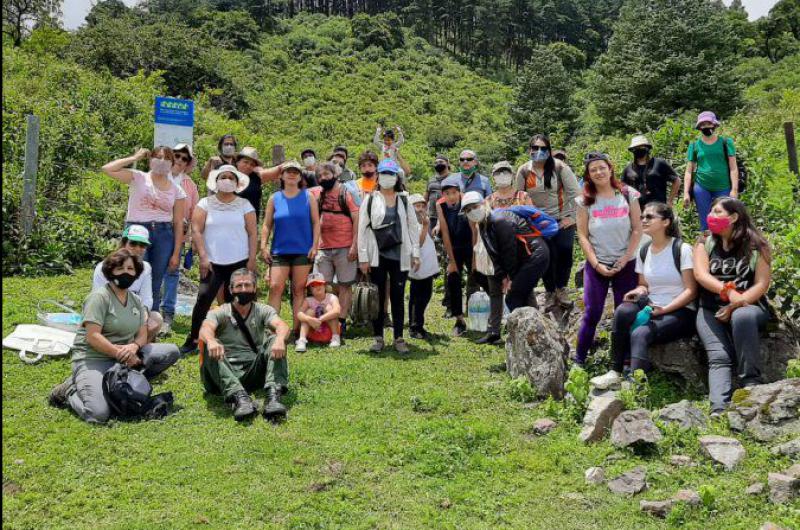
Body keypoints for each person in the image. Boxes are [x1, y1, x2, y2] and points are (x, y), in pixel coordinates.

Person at [48, 249, 180, 424]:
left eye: (130, 269)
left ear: (136, 273)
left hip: (126, 355)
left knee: (171, 351)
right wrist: (120, 354)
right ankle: (70, 390)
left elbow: (142, 334)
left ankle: (126, 380)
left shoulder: (136, 300)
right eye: (120, 269)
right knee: (98, 414)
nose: (126, 273)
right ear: (110, 272)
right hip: (95, 358)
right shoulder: (99, 298)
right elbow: (93, 336)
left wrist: (133, 347)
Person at [591, 203, 698, 388]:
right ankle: (615, 370)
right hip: (653, 305)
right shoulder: (644, 250)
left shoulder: (683, 249)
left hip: (681, 310)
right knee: (623, 311)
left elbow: (691, 291)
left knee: (641, 333)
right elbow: (644, 285)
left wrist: (665, 309)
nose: (644, 220)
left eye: (649, 217)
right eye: (642, 217)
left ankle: (636, 384)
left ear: (665, 222)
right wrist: (637, 291)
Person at [693, 197, 771, 415]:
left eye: (718, 212)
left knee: (742, 317)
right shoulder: (705, 241)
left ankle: (751, 385)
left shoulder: (757, 245)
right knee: (719, 356)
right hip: (710, 309)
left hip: (749, 306)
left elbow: (762, 284)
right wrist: (728, 292)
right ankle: (718, 409)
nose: (712, 216)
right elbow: (701, 274)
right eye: (711, 212)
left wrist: (736, 304)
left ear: (734, 217)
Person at [574, 152, 643, 366]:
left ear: (610, 168)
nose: (598, 172)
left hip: (626, 262)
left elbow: (638, 229)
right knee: (592, 312)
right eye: (593, 169)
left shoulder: (627, 194)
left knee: (626, 312)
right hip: (597, 265)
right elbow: (583, 235)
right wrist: (595, 263)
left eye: (601, 167)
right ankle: (579, 360)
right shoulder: (584, 200)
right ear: (588, 174)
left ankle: (624, 360)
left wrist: (625, 258)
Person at [181, 165, 257, 355]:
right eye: (223, 177)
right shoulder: (205, 203)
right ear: (216, 181)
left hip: (239, 260)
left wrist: (252, 260)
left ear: (237, 182)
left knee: (239, 300)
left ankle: (239, 339)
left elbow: (253, 233)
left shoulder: (245, 205)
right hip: (212, 261)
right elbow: (196, 230)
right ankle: (193, 338)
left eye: (231, 177)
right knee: (204, 298)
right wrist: (203, 257)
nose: (227, 180)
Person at [101, 146, 186, 315]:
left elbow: (177, 223)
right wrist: (134, 157)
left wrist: (176, 253)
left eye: (166, 158)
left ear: (172, 163)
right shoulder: (138, 177)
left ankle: (150, 318)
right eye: (158, 157)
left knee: (155, 280)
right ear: (150, 160)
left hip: (163, 233)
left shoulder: (177, 190)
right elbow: (107, 169)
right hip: (137, 230)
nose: (162, 161)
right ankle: (123, 315)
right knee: (130, 272)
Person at [199, 268, 291, 422]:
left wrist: (280, 339)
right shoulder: (221, 311)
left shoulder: (263, 310)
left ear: (255, 288)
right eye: (239, 286)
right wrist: (212, 341)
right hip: (223, 372)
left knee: (275, 338)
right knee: (211, 344)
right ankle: (239, 398)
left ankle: (273, 396)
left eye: (247, 285)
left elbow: (282, 326)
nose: (243, 289)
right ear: (231, 289)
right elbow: (205, 328)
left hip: (252, 371)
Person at [357, 159, 420, 353]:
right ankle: (378, 337)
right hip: (377, 255)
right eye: (383, 173)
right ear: (378, 176)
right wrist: (363, 258)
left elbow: (412, 227)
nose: (387, 177)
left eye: (391, 174)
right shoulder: (370, 199)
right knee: (378, 295)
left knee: (398, 295)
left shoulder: (404, 199)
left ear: (396, 177)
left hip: (400, 253)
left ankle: (399, 338)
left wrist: (415, 253)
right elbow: (361, 229)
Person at [515, 134, 581, 312]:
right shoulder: (523, 171)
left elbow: (577, 194)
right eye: (535, 148)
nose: (539, 152)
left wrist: (572, 218)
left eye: (543, 148)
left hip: (562, 218)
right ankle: (550, 291)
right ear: (529, 150)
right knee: (546, 257)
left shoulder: (560, 168)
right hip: (537, 222)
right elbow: (518, 197)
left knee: (565, 252)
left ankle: (562, 289)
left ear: (549, 150)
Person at [460, 192, 551, 314]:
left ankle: (523, 327)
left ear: (483, 203)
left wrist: (511, 277)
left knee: (512, 297)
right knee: (524, 291)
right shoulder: (484, 225)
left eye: (475, 207)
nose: (472, 211)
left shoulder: (498, 220)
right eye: (468, 210)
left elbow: (509, 250)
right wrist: (503, 276)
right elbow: (494, 254)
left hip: (535, 255)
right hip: (526, 256)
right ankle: (533, 324)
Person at [261, 160, 321, 334]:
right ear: (281, 176)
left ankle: (297, 330)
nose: (292, 174)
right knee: (275, 287)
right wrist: (263, 246)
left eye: (295, 171)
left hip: (302, 250)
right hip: (279, 251)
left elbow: (316, 223)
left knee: (298, 290)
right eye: (288, 171)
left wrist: (314, 245)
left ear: (300, 176)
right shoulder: (274, 198)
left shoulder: (308, 197)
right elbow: (266, 224)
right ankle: (272, 330)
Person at [309, 162, 359, 338]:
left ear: (335, 174)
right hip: (324, 247)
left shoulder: (346, 192)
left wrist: (355, 244)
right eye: (320, 176)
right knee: (320, 285)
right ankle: (322, 320)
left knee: (345, 285)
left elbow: (356, 217)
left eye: (326, 174)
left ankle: (341, 322)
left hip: (345, 247)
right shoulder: (316, 194)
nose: (323, 178)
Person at [92, 225, 161, 343]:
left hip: (135, 312)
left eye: (142, 245)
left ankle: (138, 350)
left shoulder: (146, 268)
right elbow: (98, 299)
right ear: (123, 244)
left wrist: (143, 314)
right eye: (133, 244)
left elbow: (147, 299)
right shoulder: (102, 268)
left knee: (156, 319)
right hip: (110, 313)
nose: (137, 249)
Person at [160, 143, 200, 335]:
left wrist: (192, 241)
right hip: (155, 229)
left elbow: (194, 215)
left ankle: (167, 314)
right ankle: (146, 311)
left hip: (178, 234)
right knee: (148, 270)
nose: (180, 160)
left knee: (172, 271)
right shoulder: (157, 177)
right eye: (177, 156)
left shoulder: (190, 186)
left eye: (185, 158)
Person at [684, 111, 739, 231]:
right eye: (703, 124)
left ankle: (725, 246)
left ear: (714, 125)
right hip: (702, 187)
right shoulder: (694, 145)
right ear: (699, 127)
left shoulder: (726, 142)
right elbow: (689, 171)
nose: (706, 127)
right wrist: (686, 193)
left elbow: (733, 167)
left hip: (723, 186)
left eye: (708, 123)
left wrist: (734, 190)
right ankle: (707, 247)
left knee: (725, 221)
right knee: (705, 222)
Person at [436, 175, 477, 336]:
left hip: (471, 244)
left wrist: (474, 260)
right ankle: (459, 319)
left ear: (459, 192)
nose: (451, 197)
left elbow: (475, 230)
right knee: (453, 278)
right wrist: (452, 261)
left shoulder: (467, 202)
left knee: (477, 277)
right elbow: (445, 232)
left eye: (454, 193)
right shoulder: (440, 205)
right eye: (447, 194)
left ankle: (481, 315)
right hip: (454, 246)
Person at [408, 194, 439, 339]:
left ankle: (415, 325)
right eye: (416, 206)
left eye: (422, 206)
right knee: (421, 297)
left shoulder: (422, 222)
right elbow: (417, 244)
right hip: (419, 268)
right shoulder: (412, 224)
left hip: (426, 267)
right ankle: (416, 326)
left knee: (417, 296)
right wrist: (426, 226)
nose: (420, 209)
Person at [621, 135, 681, 208]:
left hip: (658, 209)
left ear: (647, 148)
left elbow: (677, 180)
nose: (639, 149)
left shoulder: (659, 163)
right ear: (632, 150)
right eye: (636, 148)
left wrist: (670, 201)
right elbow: (623, 188)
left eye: (642, 147)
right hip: (637, 210)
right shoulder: (628, 169)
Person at [295, 272, 342, 352]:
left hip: (329, 330)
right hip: (314, 331)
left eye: (319, 283)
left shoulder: (331, 297)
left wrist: (320, 319)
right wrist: (309, 319)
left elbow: (337, 311)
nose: (317, 287)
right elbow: (299, 313)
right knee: (309, 312)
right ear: (310, 290)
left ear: (325, 286)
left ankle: (335, 337)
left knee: (329, 309)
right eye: (313, 286)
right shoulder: (308, 300)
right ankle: (302, 340)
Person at [424, 154, 451, 232]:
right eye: (436, 163)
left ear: (447, 163)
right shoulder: (431, 180)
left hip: (448, 215)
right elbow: (425, 198)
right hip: (432, 216)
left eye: (441, 162)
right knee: (433, 240)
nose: (438, 164)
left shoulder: (453, 179)